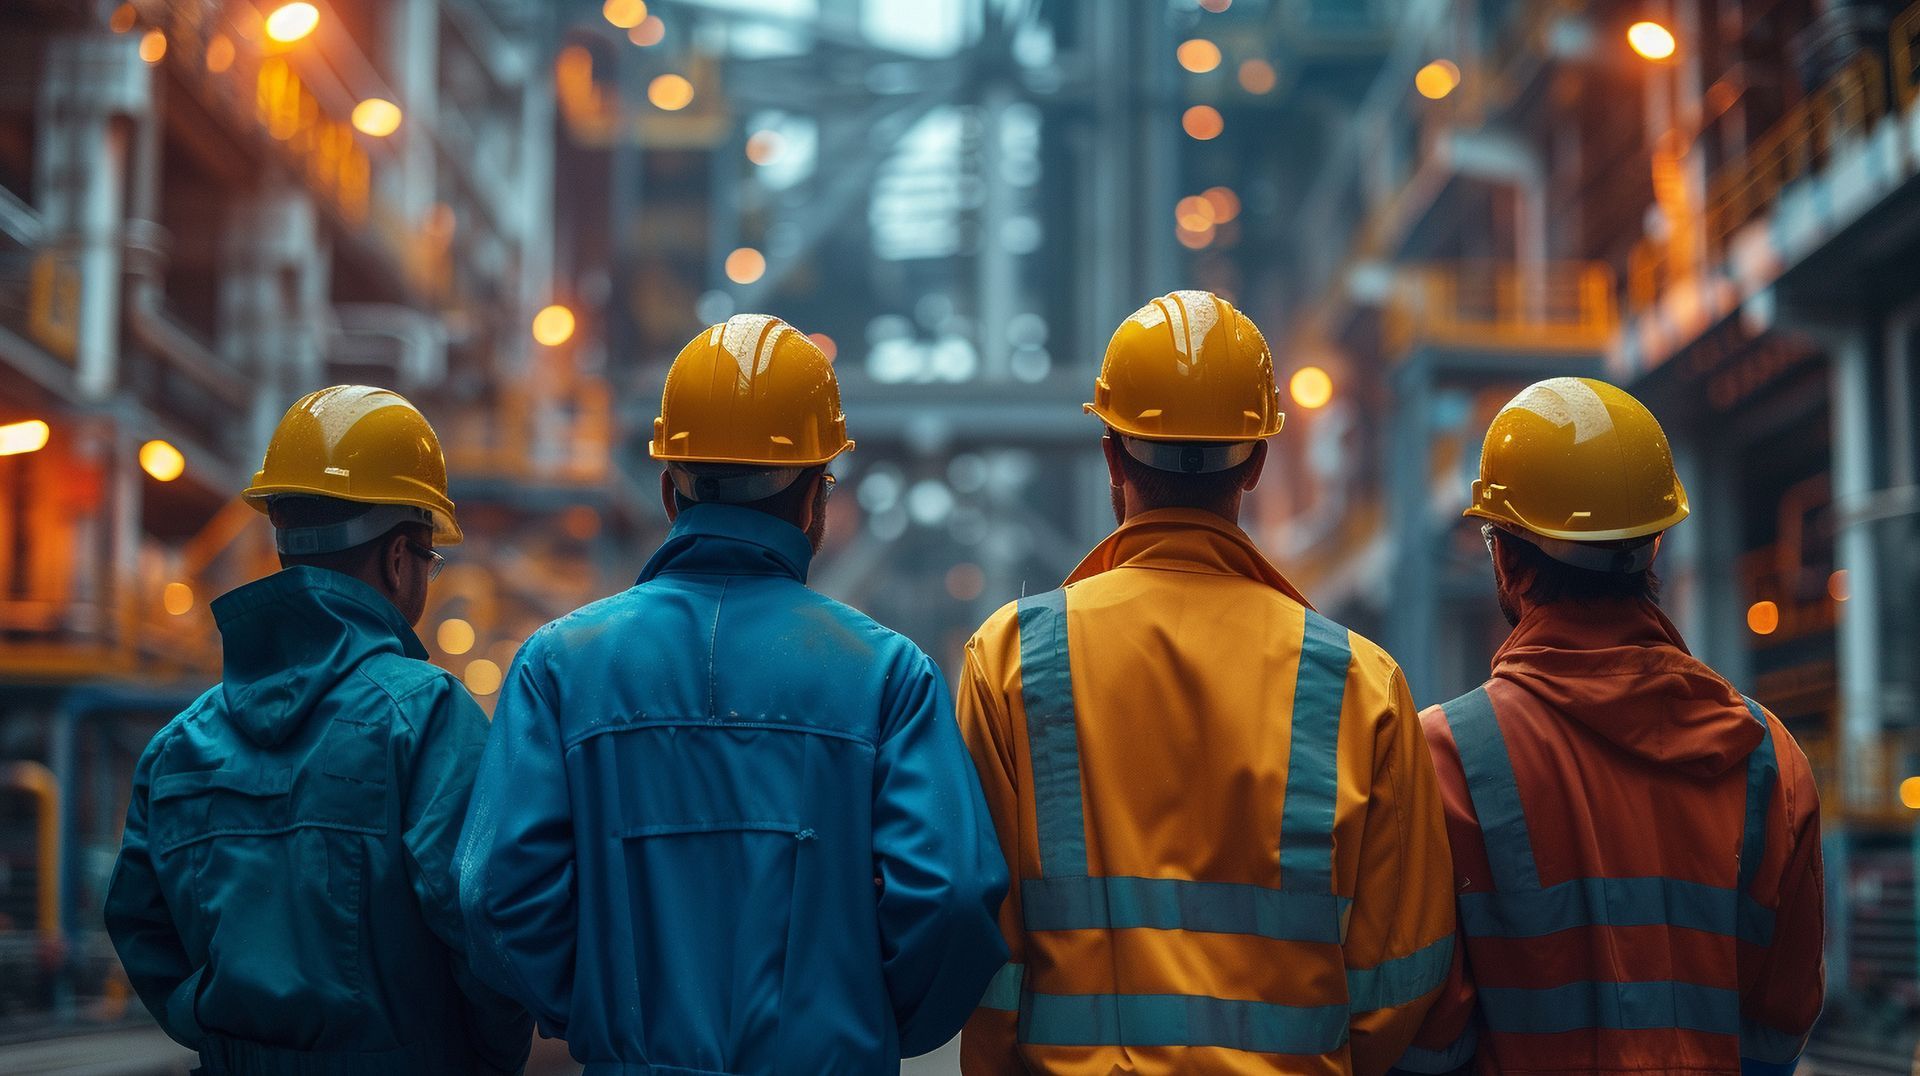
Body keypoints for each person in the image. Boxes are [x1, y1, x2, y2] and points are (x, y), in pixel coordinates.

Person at [456, 313, 1009, 1074]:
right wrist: (865, 1021)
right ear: (817, 495)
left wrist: (595, 1010)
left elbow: (494, 893)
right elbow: (950, 899)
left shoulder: (558, 668)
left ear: (666, 489)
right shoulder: (891, 677)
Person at [957, 290, 1455, 1074]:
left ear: (1112, 456)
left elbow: (987, 951)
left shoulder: (1012, 660)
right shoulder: (1362, 683)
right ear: (1257, 463)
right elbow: (1401, 973)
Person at [1394, 377, 1825, 1075]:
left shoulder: (1440, 759)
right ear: (1653, 549)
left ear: (1503, 556)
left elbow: (1426, 1035)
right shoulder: (1770, 759)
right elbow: (1781, 1025)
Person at [104, 385, 532, 1075]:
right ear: (400, 559)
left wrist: (222, 1025)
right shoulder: (424, 718)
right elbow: (481, 917)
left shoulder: (177, 746)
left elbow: (139, 924)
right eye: (430, 558)